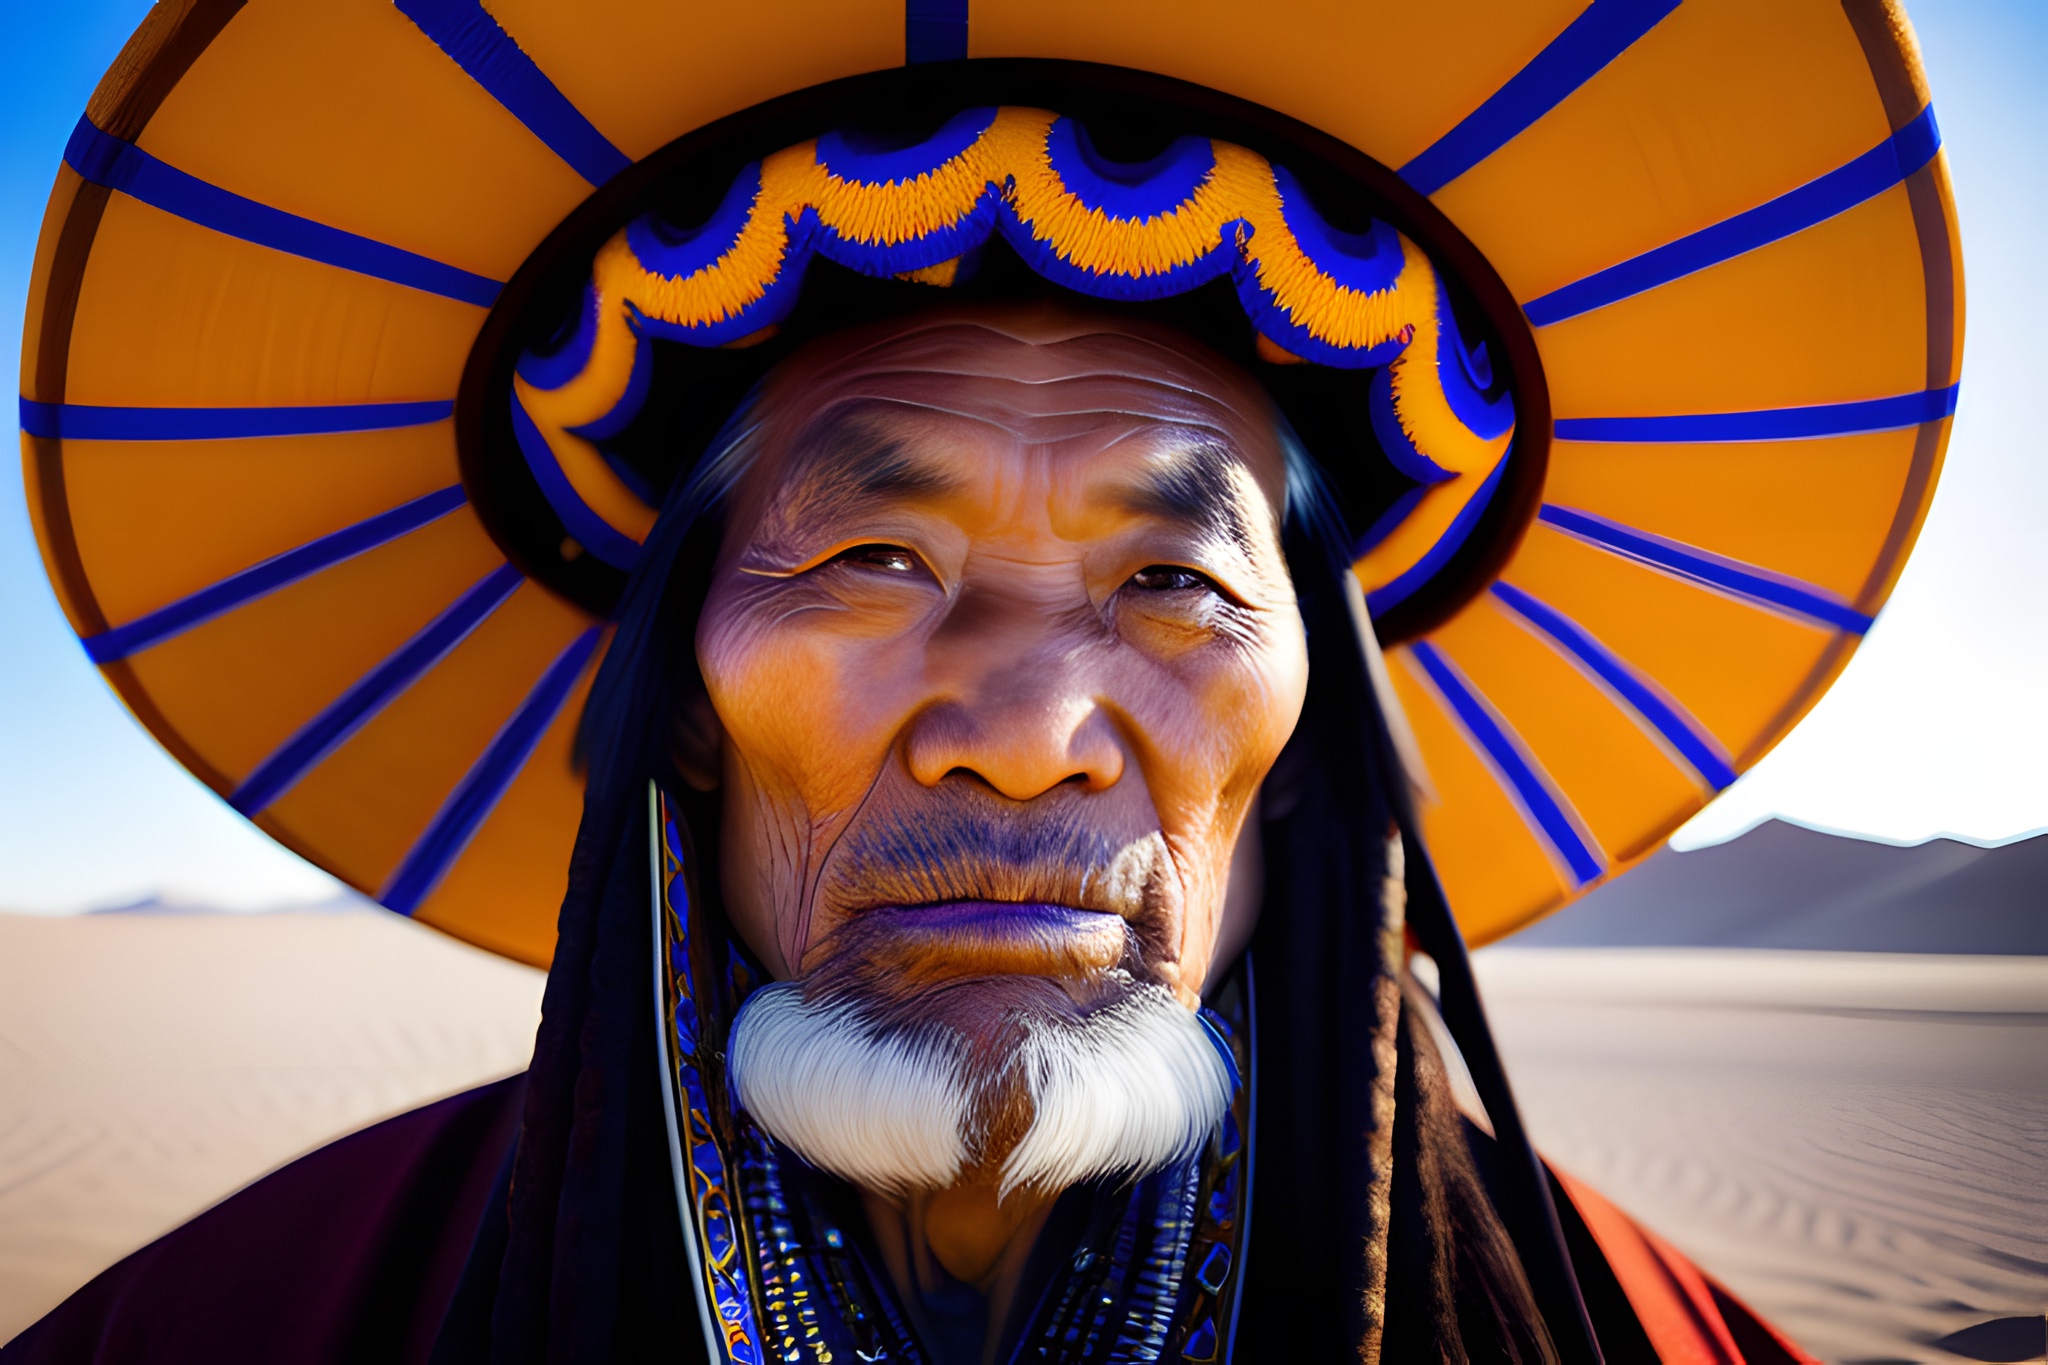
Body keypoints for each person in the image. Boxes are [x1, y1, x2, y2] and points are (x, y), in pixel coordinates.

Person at [8, 6, 1958, 1362]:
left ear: (1302, 754)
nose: (1025, 727)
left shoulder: (1626, 1327)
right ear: (681, 700)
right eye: (871, 558)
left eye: (1177, 581)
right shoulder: (258, 1317)